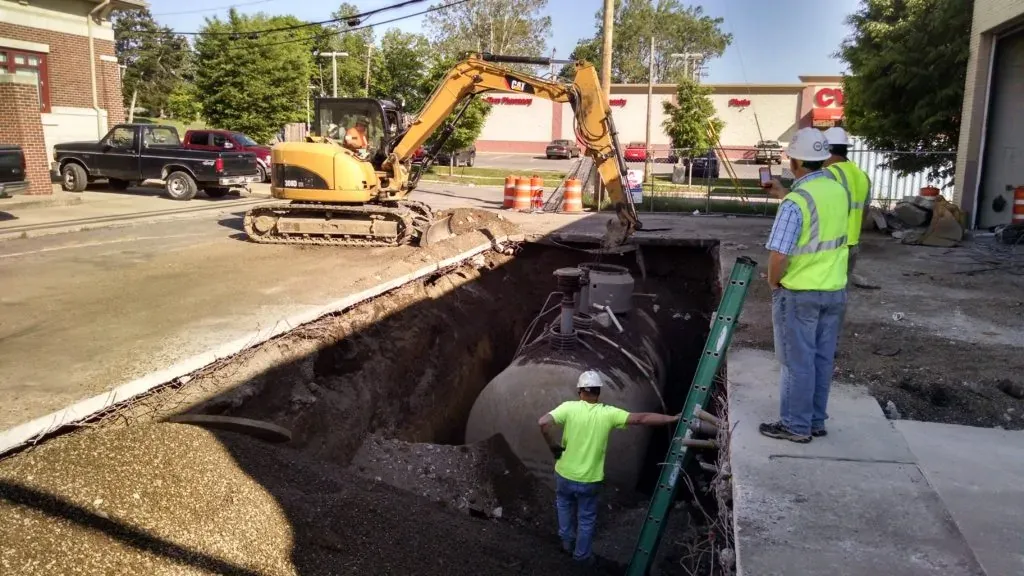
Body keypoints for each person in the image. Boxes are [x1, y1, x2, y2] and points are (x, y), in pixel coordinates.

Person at [761, 127, 849, 443]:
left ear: (797, 162)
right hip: (834, 290)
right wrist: (785, 193)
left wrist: (774, 283)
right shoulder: (839, 191)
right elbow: (821, 224)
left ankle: (794, 426)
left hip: (799, 293)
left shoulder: (795, 203)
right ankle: (814, 421)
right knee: (821, 360)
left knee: (796, 363)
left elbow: (778, 255)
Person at [537, 370, 680, 564]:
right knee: (586, 518)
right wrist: (671, 419)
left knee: (564, 505)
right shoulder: (607, 413)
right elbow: (641, 418)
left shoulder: (568, 408)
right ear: (599, 392)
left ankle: (566, 544)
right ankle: (581, 557)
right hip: (590, 479)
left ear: (580, 391)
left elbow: (543, 422)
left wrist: (553, 445)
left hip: (564, 474)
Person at [823, 127, 875, 289]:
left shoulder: (827, 174)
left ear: (828, 149)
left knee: (820, 292)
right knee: (841, 292)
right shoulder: (862, 175)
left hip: (828, 245)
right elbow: (865, 211)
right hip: (851, 244)